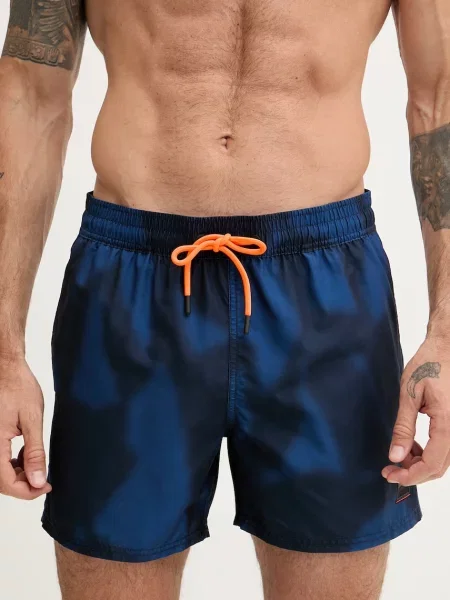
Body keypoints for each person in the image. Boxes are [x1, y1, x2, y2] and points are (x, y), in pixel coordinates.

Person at [0, 1, 449, 598]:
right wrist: (3, 352)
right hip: (131, 283)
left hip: (326, 292)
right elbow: (31, 95)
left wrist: (447, 334)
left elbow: (439, 99)